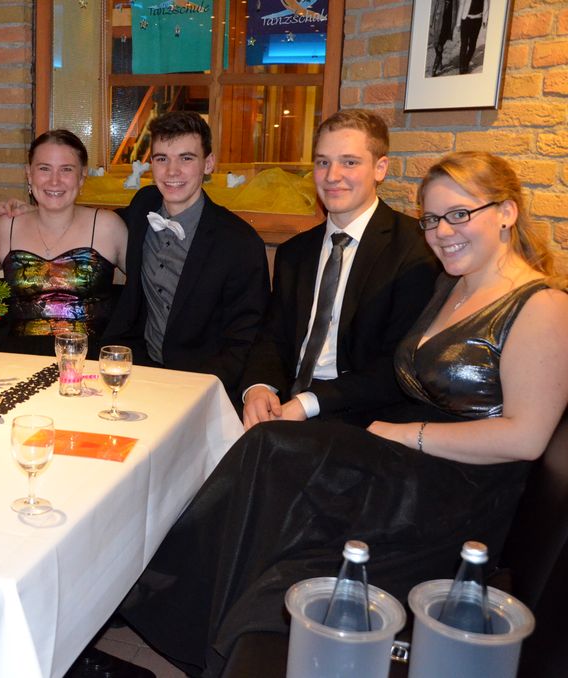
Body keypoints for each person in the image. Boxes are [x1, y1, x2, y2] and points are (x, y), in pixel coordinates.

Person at [118, 151, 568, 676]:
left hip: (460, 489)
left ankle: (160, 589)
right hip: (413, 464)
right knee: (267, 454)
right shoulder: (454, 285)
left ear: (507, 212)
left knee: (272, 448)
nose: (442, 232)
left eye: (459, 214)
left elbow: (526, 438)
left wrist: (405, 435)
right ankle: (179, 600)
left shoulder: (542, 305)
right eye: (431, 219)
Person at [240, 109, 440, 429]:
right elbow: (273, 337)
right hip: (287, 402)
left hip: (363, 415)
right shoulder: (294, 252)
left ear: (380, 168)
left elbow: (399, 365)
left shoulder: (416, 250)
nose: (332, 176)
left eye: (349, 162)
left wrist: (307, 403)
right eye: (323, 162)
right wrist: (259, 387)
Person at [101, 111, 270, 403]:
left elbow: (245, 339)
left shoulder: (239, 242)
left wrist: (195, 392)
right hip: (139, 374)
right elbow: (92, 224)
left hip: (202, 384)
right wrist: (34, 213)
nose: (172, 171)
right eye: (162, 159)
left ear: (209, 163)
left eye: (186, 158)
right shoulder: (143, 205)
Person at [0, 129, 127, 356]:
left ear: (82, 177)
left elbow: (148, 288)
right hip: (17, 360)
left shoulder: (107, 226)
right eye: (44, 168)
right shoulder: (6, 228)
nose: (54, 180)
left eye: (66, 169)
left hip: (89, 361)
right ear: (29, 174)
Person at [459, 0, 488, 74]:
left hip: (477, 21)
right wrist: (458, 22)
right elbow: (461, 4)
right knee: (464, 44)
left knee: (472, 45)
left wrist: (485, 20)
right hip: (466, 19)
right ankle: (461, 67)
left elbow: (486, 5)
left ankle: (466, 62)